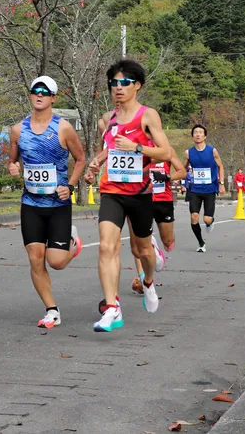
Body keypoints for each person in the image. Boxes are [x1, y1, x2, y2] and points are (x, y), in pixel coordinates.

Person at [86, 59, 173, 332]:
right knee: (106, 246)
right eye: (114, 83)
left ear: (137, 86)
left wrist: (137, 147)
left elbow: (165, 152)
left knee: (141, 250)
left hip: (140, 192)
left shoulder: (148, 116)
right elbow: (111, 148)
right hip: (112, 190)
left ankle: (148, 281)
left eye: (124, 82)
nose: (118, 87)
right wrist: (96, 162)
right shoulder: (108, 119)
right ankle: (112, 307)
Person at [6, 75, 87, 329]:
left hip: (58, 205)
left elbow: (80, 159)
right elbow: (12, 160)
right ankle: (52, 310)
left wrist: (70, 186)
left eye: (45, 91)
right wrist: (12, 167)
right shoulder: (18, 130)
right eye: (35, 90)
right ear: (30, 95)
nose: (39, 94)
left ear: (53, 98)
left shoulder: (63, 128)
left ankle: (73, 242)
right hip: (31, 203)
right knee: (35, 257)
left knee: (57, 262)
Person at [132, 148, 186, 295]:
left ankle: (154, 247)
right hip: (142, 199)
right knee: (138, 243)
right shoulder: (137, 148)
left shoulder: (166, 150)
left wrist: (166, 176)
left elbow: (182, 172)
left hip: (163, 200)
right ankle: (143, 278)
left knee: (168, 242)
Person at [183, 124, 226, 251]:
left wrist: (221, 183)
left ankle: (210, 222)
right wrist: (181, 181)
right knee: (194, 217)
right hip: (195, 189)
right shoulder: (188, 153)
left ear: (205, 136)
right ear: (192, 136)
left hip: (210, 189)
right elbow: (182, 168)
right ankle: (201, 243)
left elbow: (220, 166)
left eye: (200, 132)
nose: (198, 134)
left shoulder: (212, 151)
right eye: (195, 132)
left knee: (207, 219)